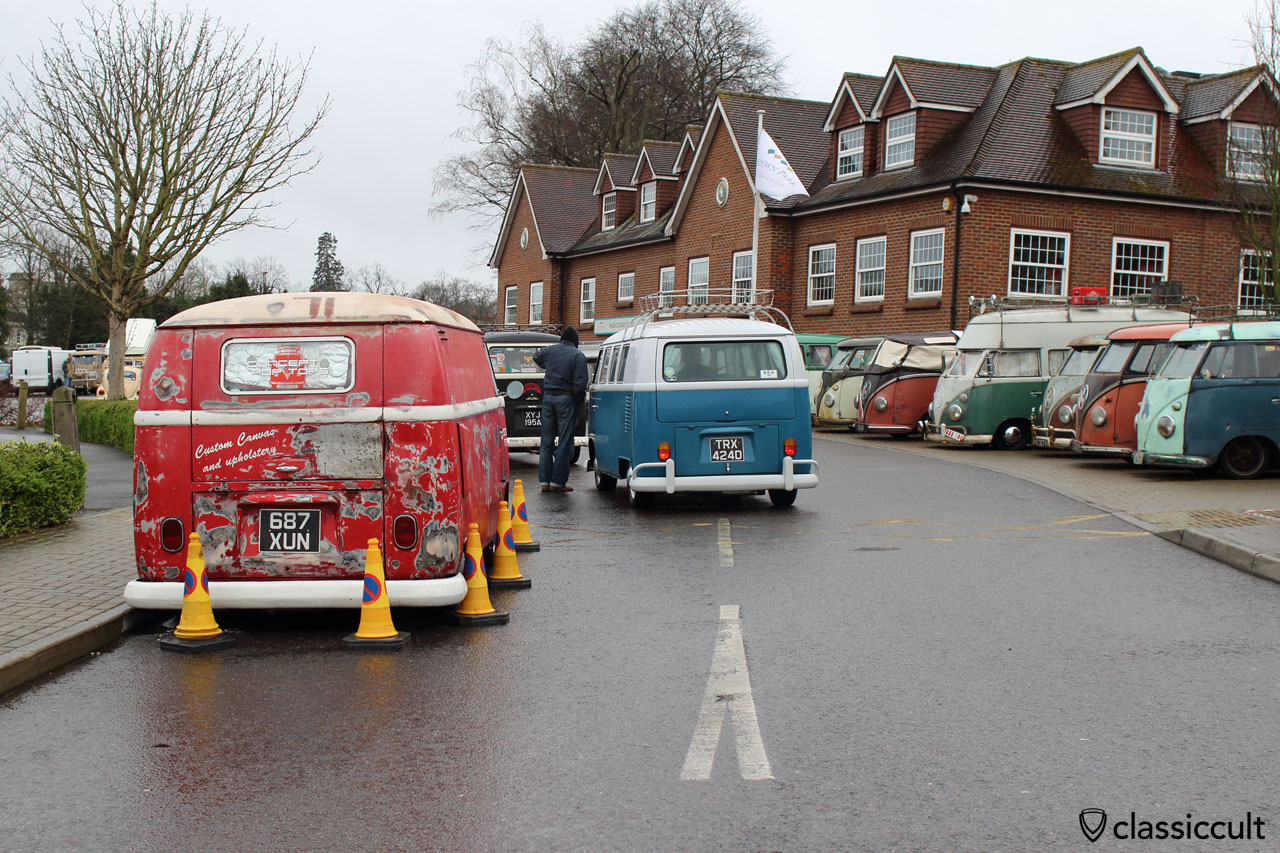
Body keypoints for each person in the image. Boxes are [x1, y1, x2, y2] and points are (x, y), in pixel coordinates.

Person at [533, 326, 588, 492]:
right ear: (575, 342)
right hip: (566, 400)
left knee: (546, 443)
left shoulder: (550, 351)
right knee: (564, 442)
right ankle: (558, 483)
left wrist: (549, 364)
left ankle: (544, 482)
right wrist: (578, 406)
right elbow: (580, 385)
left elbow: (536, 356)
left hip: (548, 399)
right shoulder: (578, 356)